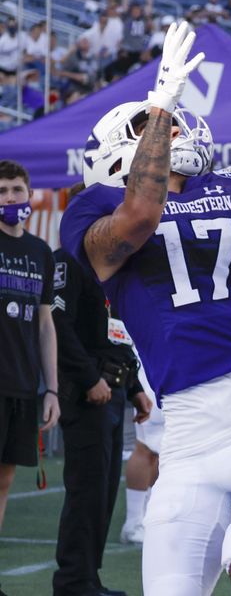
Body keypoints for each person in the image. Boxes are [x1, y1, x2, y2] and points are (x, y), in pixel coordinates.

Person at [59, 24, 231, 595]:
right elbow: (138, 221)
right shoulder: (93, 207)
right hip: (186, 431)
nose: (174, 126)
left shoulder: (229, 182)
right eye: (155, 127)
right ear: (117, 150)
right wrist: (158, 104)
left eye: (170, 122)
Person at [51, 233, 152, 596]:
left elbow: (119, 336)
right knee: (86, 491)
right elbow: (58, 326)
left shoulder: (113, 264)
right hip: (85, 392)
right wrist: (89, 378)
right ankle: (73, 582)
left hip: (114, 389)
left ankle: (88, 579)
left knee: (104, 491)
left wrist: (136, 386)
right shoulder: (68, 260)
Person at [0, 160, 60, 531]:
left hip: (22, 384)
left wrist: (51, 388)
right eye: (2, 191)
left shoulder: (41, 252)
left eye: (16, 190)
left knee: (4, 482)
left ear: (29, 194)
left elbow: (45, 324)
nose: (9, 197)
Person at [121, 360, 163, 545]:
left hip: (166, 364)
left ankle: (146, 517)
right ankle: (133, 522)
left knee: (162, 448)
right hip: (151, 366)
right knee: (146, 446)